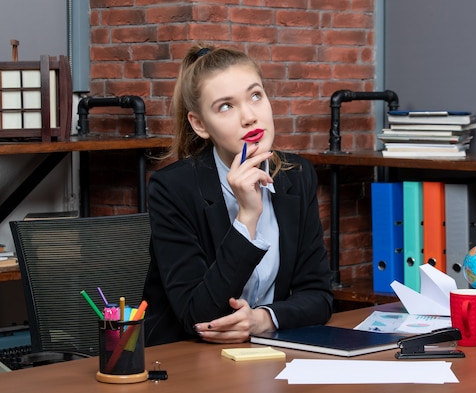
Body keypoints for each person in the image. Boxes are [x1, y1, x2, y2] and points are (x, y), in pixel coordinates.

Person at [142, 44, 334, 346]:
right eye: (226, 106)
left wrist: (263, 319)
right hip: (184, 362)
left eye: (255, 96)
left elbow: (319, 295)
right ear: (200, 124)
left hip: (265, 355)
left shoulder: (297, 176)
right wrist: (247, 217)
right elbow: (198, 315)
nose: (249, 116)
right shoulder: (173, 188)